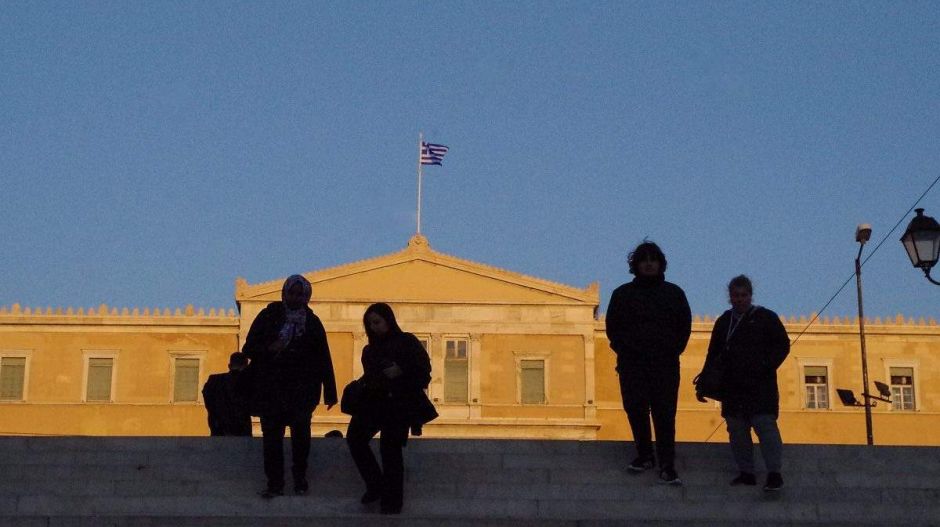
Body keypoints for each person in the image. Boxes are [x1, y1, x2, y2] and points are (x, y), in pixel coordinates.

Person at [242, 274, 338, 498]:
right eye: (291, 293)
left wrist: (330, 392)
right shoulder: (268, 316)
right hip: (271, 388)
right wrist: (270, 348)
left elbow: (323, 356)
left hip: (302, 389)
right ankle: (275, 483)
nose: (295, 297)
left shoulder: (313, 323)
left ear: (307, 297)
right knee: (272, 438)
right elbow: (249, 348)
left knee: (301, 436)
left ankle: (299, 479)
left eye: (300, 294)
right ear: (284, 293)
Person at [605, 241, 692, 485]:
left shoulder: (674, 294)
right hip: (632, 364)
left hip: (664, 364)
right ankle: (644, 455)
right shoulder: (622, 294)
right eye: (644, 259)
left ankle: (667, 463)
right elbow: (613, 328)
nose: (649, 263)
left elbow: (684, 326)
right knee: (636, 409)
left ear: (661, 264)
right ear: (636, 265)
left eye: (653, 259)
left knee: (665, 413)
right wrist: (625, 350)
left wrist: (672, 350)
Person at [698, 275, 790, 492]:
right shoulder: (723, 322)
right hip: (733, 387)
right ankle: (746, 472)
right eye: (735, 296)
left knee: (766, 428)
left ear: (750, 295)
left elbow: (783, 345)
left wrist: (766, 365)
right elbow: (713, 354)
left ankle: (774, 474)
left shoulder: (766, 318)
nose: (739, 299)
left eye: (743, 295)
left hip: (760, 387)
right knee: (737, 431)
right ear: (730, 297)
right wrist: (704, 381)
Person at [346, 302, 435, 515]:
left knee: (391, 451)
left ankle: (392, 503)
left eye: (377, 322)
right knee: (355, 438)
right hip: (373, 402)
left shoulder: (407, 342)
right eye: (370, 324)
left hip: (398, 405)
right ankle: (375, 484)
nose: (374, 327)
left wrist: (401, 370)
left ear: (388, 320)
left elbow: (424, 370)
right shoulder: (369, 350)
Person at [201, 351, 252, 436]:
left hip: (219, 428)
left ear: (229, 366)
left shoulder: (214, 380)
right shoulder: (247, 383)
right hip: (240, 430)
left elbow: (208, 399)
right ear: (246, 366)